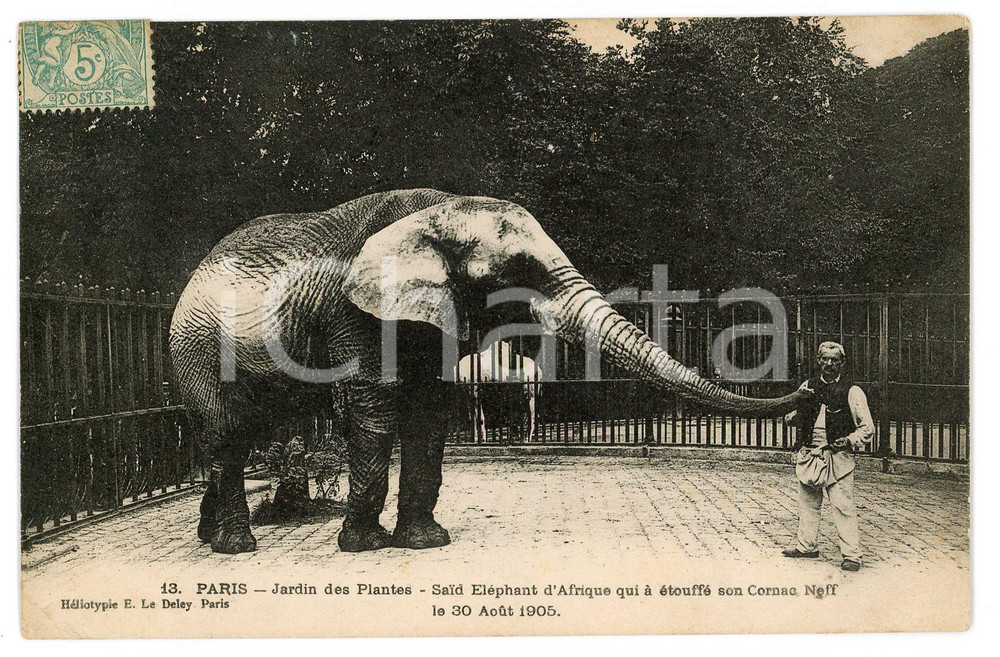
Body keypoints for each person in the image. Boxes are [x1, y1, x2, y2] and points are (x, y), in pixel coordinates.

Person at [782, 341, 875, 571]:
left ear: (842, 363)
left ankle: (852, 556)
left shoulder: (853, 391)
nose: (829, 364)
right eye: (825, 359)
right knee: (808, 504)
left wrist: (850, 440)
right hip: (810, 455)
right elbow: (791, 415)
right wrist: (794, 416)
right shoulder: (807, 387)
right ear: (818, 360)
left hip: (838, 456)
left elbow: (867, 428)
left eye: (834, 360)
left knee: (843, 506)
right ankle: (806, 547)